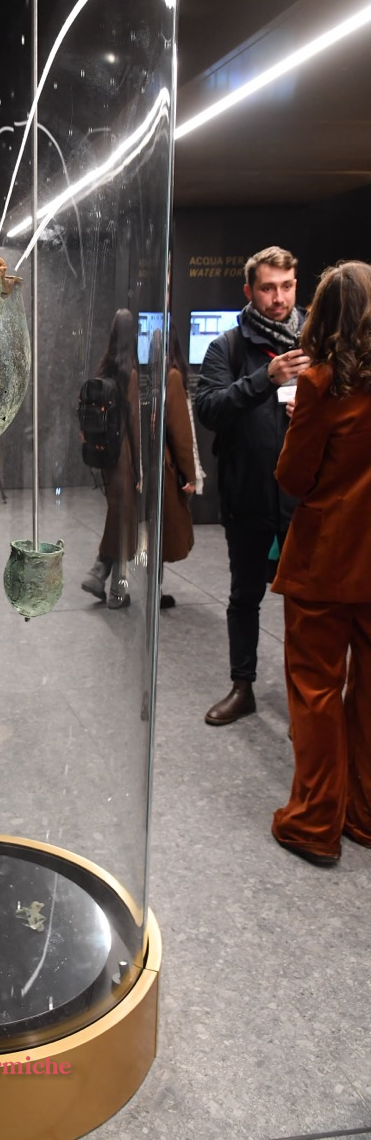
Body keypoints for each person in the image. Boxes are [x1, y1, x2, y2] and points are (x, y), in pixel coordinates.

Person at [270, 261, 371, 866]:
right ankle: (364, 814)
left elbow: (294, 477)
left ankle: (313, 822)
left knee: (315, 691)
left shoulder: (320, 384)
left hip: (325, 565)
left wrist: (296, 429)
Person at [195, 246, 308, 726]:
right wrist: (266, 378)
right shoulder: (228, 347)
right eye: (267, 288)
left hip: (306, 502)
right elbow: (209, 409)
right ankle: (242, 688)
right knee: (245, 596)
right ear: (249, 290)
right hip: (247, 498)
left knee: (306, 603)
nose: (278, 298)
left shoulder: (316, 342)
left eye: (286, 286)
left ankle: (306, 701)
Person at [81, 308, 141, 609]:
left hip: (105, 455)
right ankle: (112, 583)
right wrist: (140, 468)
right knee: (124, 520)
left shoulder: (104, 367)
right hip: (124, 456)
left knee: (118, 514)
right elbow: (135, 425)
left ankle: (101, 574)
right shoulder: (130, 373)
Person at [150, 323, 196, 608]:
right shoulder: (173, 377)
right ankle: (153, 593)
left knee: (152, 533)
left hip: (150, 467)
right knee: (162, 535)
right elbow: (180, 433)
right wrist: (190, 474)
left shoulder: (151, 378)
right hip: (167, 470)